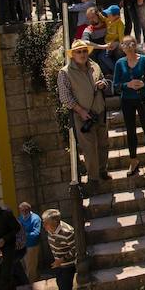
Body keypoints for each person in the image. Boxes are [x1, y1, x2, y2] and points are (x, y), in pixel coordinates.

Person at [57, 40, 110, 184]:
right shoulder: (65, 72)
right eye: (79, 52)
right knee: (89, 148)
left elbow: (104, 80)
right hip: (82, 116)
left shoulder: (95, 66)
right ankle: (93, 178)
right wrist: (80, 111)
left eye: (84, 51)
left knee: (103, 144)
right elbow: (65, 97)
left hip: (100, 111)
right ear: (72, 55)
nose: (82, 54)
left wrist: (103, 84)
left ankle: (102, 170)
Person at [112, 36, 145, 176]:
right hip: (127, 100)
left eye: (131, 43)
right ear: (122, 47)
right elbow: (116, 85)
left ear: (135, 44)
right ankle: (133, 160)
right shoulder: (120, 63)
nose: (129, 46)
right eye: (125, 44)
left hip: (143, 98)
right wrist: (128, 85)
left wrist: (144, 83)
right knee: (130, 130)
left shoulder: (144, 60)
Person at [41, 210, 77, 290]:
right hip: (58, 264)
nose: (43, 225)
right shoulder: (50, 229)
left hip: (67, 265)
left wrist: (61, 260)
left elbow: (75, 249)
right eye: (43, 222)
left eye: (46, 223)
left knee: (65, 289)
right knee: (62, 286)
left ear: (55, 222)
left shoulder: (67, 232)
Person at [80, 8, 115, 75]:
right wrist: (103, 47)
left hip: (110, 49)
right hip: (98, 53)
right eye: (89, 18)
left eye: (93, 17)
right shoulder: (89, 29)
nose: (91, 20)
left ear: (98, 15)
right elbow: (85, 42)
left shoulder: (107, 24)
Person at [16, 204, 41, 283]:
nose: (23, 212)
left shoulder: (35, 218)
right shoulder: (20, 218)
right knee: (25, 267)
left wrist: (24, 234)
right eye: (21, 210)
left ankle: (31, 285)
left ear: (29, 210)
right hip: (22, 246)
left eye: (25, 210)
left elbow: (36, 233)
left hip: (31, 246)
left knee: (31, 268)